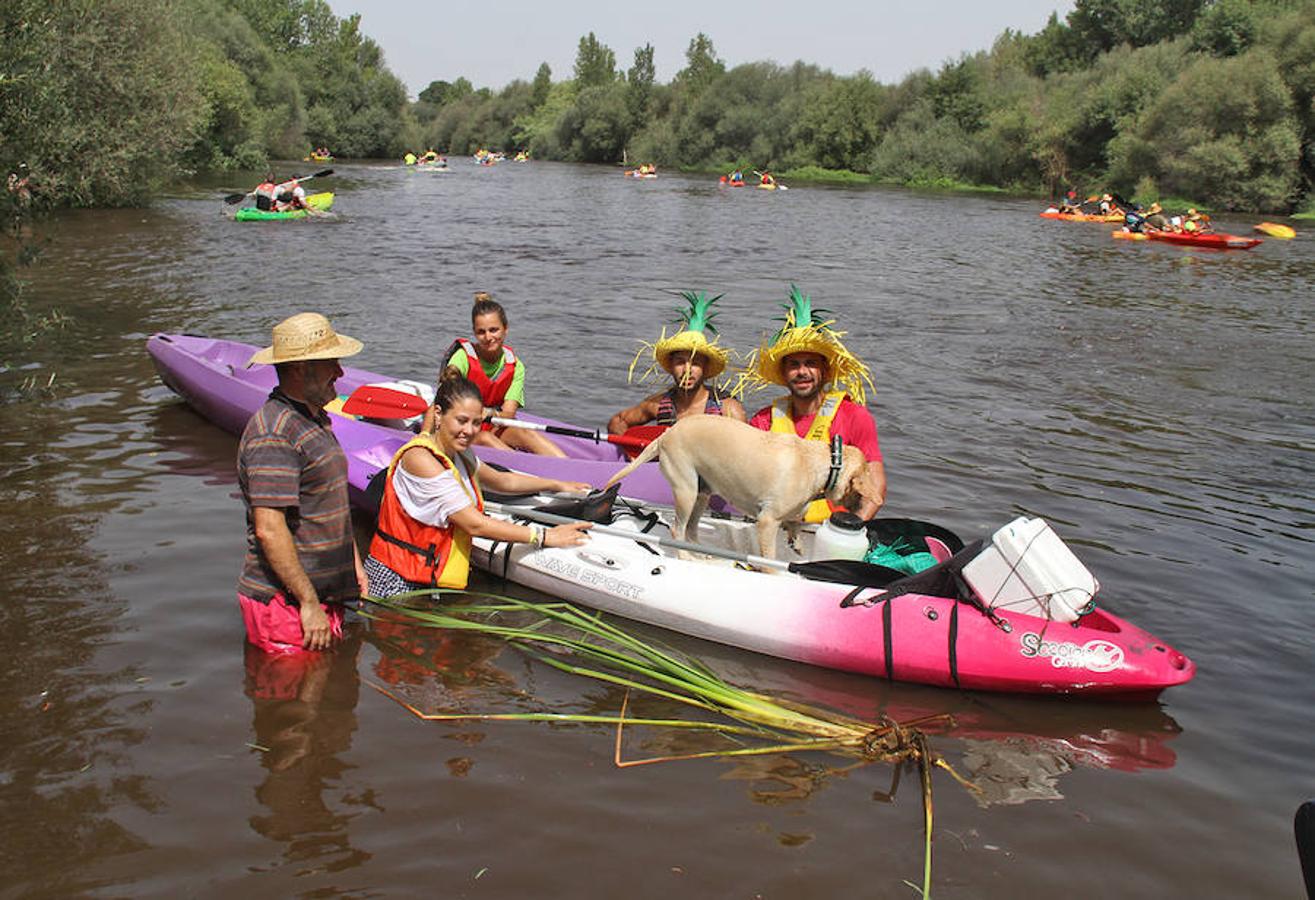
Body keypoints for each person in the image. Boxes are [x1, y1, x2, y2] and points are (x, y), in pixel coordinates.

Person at [364, 367, 592, 597]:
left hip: (428, 578)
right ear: (439, 414)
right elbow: (475, 524)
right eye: (461, 421)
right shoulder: (421, 459)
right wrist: (544, 536)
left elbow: (501, 481)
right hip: (396, 581)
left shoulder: (460, 453)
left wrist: (556, 485)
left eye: (476, 423)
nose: (469, 431)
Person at [237, 312, 369, 655]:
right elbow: (269, 529)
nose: (340, 372)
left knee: (332, 684)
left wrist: (353, 565)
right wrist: (308, 603)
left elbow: (329, 500)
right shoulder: (274, 433)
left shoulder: (314, 418)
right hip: (287, 602)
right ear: (299, 369)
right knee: (295, 690)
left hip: (322, 593)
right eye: (330, 363)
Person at [745, 285, 886, 521]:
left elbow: (876, 483)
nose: (802, 372)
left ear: (825, 371)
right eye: (794, 365)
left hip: (830, 528)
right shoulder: (763, 420)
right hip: (774, 524)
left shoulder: (854, 416)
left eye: (810, 363)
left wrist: (851, 528)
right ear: (784, 373)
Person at [433, 292, 566, 457]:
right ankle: (525, 466)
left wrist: (489, 413)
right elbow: (443, 399)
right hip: (461, 427)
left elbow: (508, 414)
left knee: (526, 433)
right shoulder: (462, 358)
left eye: (494, 330)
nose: (488, 337)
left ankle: (570, 466)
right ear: (474, 332)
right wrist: (426, 434)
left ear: (505, 329)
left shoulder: (516, 366)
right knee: (486, 438)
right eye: (481, 332)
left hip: (491, 422)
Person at [609, 290, 746, 435]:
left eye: (695, 363)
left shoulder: (728, 409)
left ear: (705, 368)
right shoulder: (658, 405)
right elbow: (618, 422)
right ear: (671, 366)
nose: (687, 370)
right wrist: (633, 448)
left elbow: (748, 446)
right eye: (680, 362)